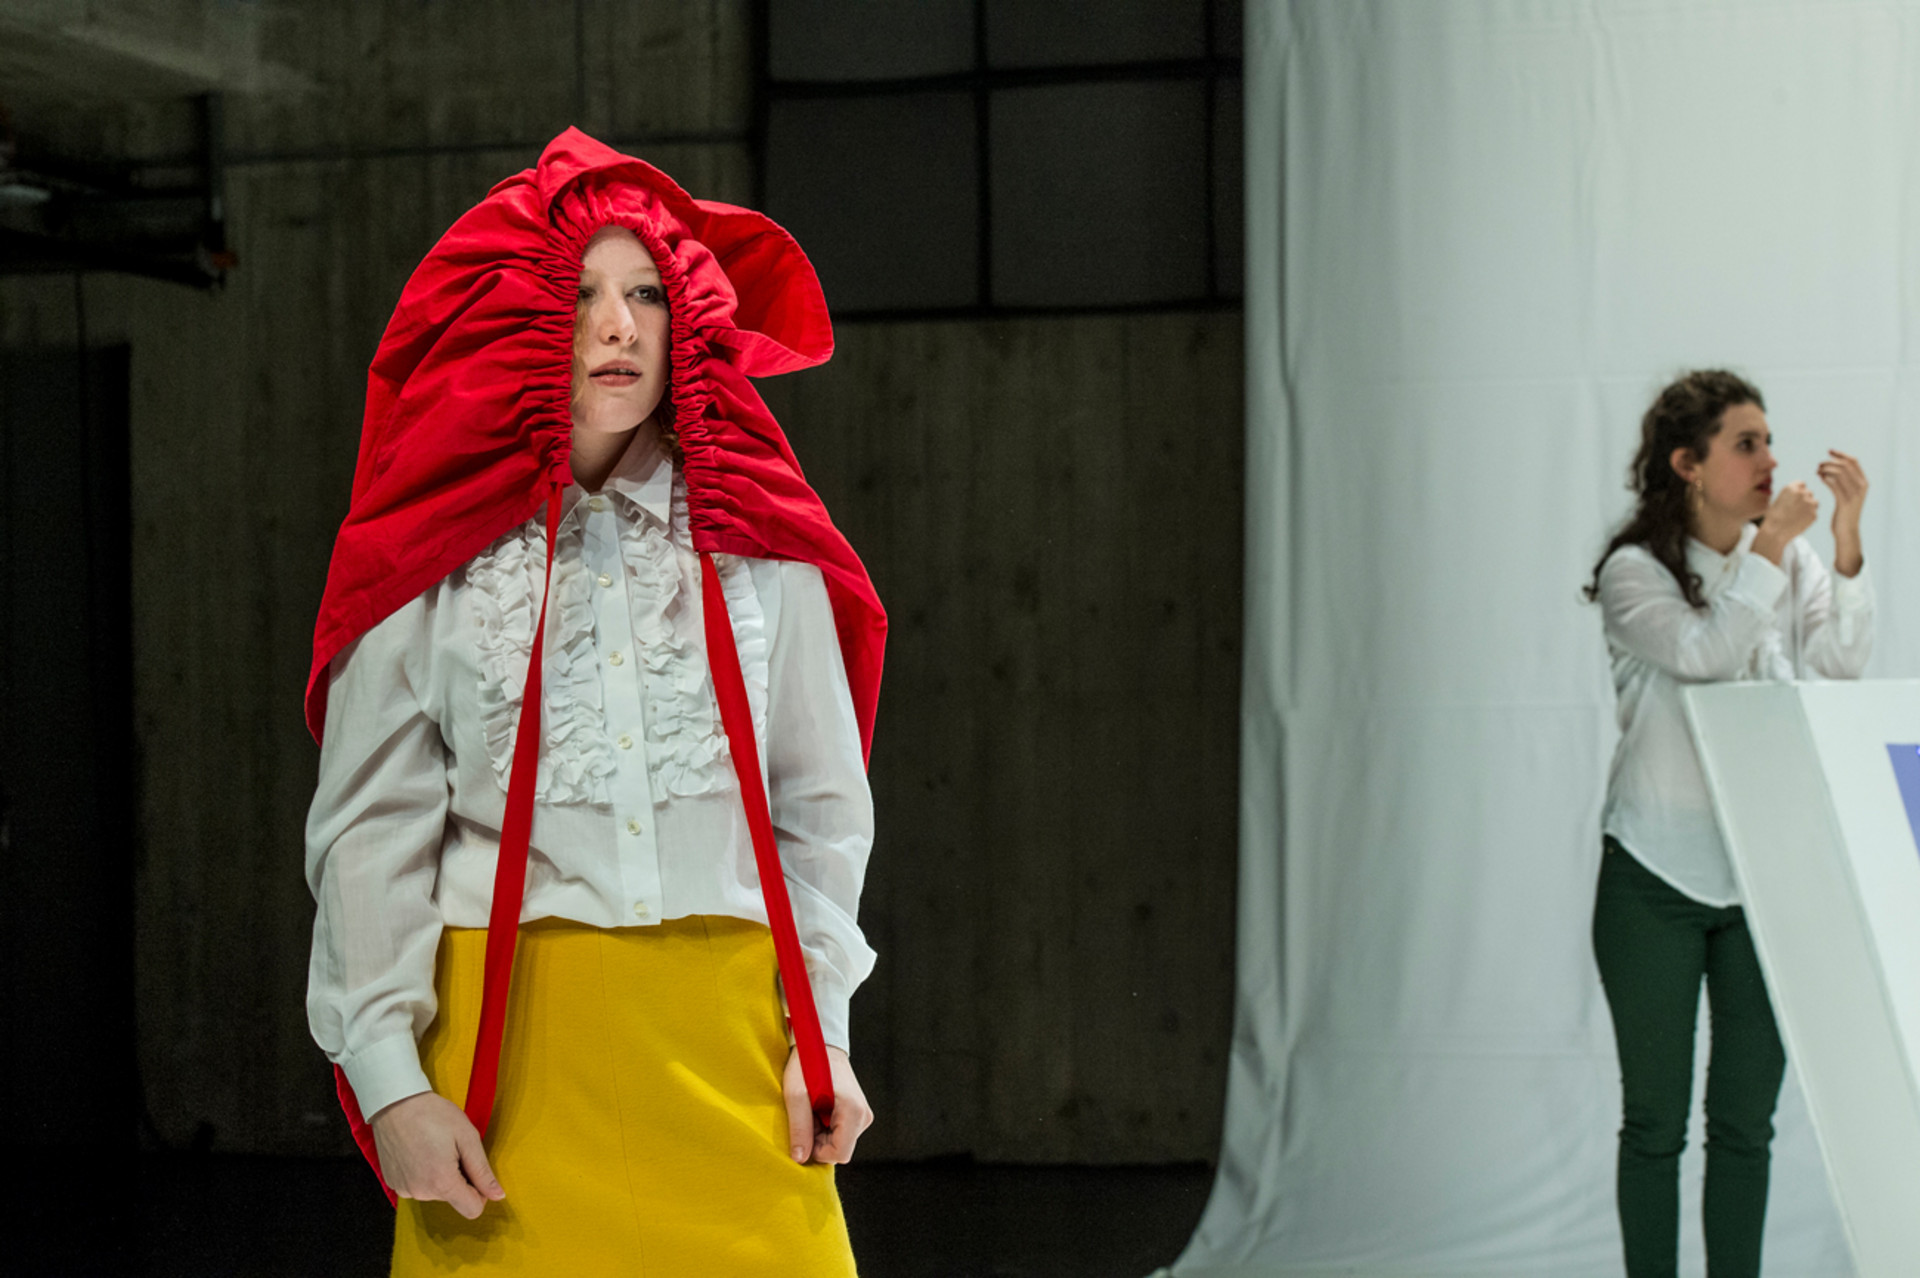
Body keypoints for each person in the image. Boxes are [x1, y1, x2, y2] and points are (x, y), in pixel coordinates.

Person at [302, 128, 886, 1275]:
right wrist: (388, 1083)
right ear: (514, 319)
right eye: (579, 294)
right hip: (506, 1073)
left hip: (731, 1049)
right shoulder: (430, 554)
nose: (619, 326)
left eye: (647, 293)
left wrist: (822, 1033)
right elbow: (369, 828)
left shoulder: (762, 549)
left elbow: (821, 812)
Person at [1584, 369, 1872, 1277]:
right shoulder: (1634, 573)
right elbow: (1704, 653)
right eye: (1746, 444)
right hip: (1653, 880)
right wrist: (1771, 551)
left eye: (1770, 441)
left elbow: (1839, 671)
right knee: (1655, 1124)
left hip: (1763, 883)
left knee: (1746, 1125)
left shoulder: (1792, 559)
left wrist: (1844, 546)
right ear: (1688, 465)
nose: (1770, 460)